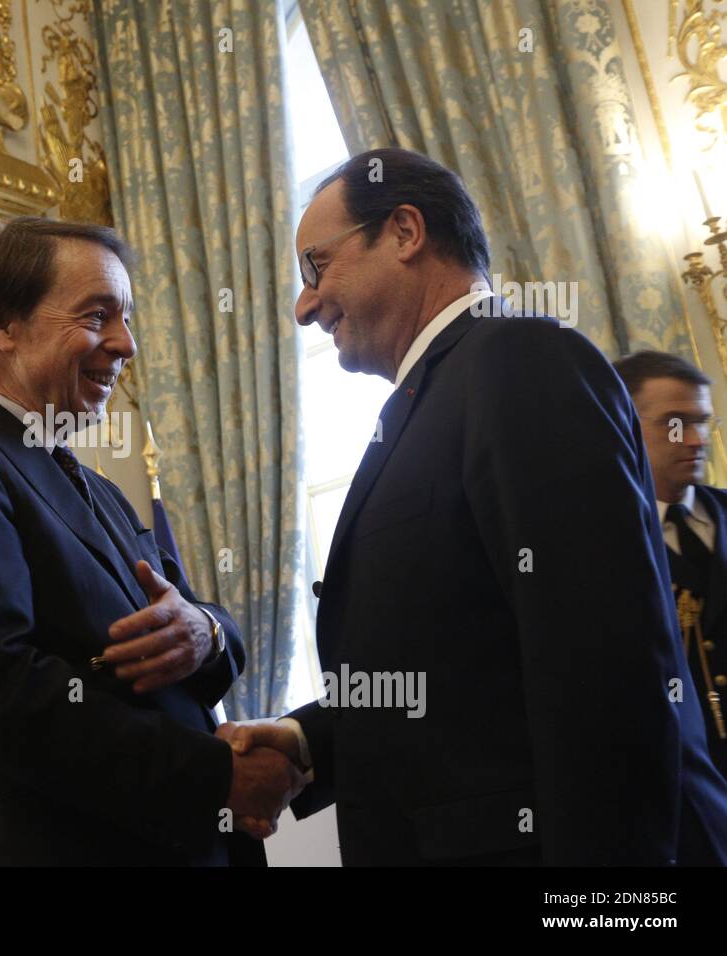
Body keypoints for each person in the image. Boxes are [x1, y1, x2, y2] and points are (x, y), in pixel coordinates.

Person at [221, 148, 727, 865]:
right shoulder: (433, 399)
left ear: (403, 231)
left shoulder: (519, 363)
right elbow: (468, 675)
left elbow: (603, 677)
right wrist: (309, 742)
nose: (304, 306)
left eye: (317, 267)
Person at [0, 217, 293, 865]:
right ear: (3, 324)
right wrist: (216, 778)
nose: (125, 345)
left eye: (127, 319)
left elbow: (214, 632)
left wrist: (201, 631)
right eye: (98, 316)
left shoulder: (102, 491)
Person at [614, 350, 727, 782]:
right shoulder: (604, 543)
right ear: (622, 423)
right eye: (676, 423)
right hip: (682, 781)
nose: (697, 439)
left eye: (703, 422)